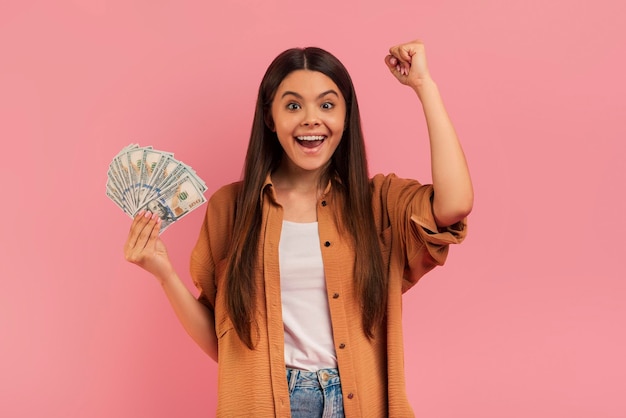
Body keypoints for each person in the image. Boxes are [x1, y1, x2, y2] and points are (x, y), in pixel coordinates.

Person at [124, 39, 473, 417]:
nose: (311, 118)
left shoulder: (377, 203)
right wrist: (163, 273)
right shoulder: (231, 209)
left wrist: (425, 87)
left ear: (345, 117)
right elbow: (226, 346)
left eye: (327, 105)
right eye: (293, 105)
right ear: (270, 118)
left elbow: (453, 205)